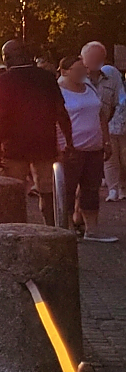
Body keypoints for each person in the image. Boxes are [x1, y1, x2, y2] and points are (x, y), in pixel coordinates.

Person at [0, 38, 72, 225]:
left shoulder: (3, 81)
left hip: (14, 146)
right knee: (48, 191)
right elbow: (61, 112)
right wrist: (69, 141)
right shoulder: (47, 78)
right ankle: (52, 227)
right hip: (44, 143)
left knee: (10, 192)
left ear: (7, 58)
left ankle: (12, 228)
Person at [59, 55, 119, 242]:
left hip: (94, 148)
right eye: (78, 70)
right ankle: (67, 229)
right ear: (65, 72)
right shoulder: (58, 91)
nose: (83, 73)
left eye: (83, 69)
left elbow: (101, 114)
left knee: (91, 190)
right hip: (71, 149)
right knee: (67, 190)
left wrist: (106, 141)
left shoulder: (90, 87)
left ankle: (91, 229)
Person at [84, 41, 126, 201]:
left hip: (114, 124)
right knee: (109, 160)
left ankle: (121, 187)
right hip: (89, 131)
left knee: (121, 157)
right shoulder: (79, 78)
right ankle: (112, 189)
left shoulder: (111, 75)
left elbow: (117, 100)